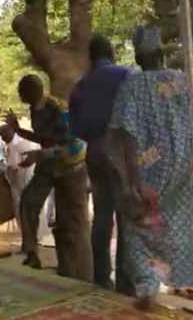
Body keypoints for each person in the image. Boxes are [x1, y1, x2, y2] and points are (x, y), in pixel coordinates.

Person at [105, 25, 193, 309]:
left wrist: (131, 180)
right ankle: (189, 280)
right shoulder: (183, 81)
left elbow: (127, 135)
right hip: (187, 168)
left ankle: (149, 287)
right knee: (183, 224)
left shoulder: (132, 87)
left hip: (150, 172)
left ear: (139, 58)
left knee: (137, 229)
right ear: (161, 53)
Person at [5, 75, 92, 282]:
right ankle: (32, 252)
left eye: (21, 90)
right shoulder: (35, 108)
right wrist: (19, 130)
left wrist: (41, 155)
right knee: (28, 202)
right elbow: (44, 138)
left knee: (67, 221)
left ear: (34, 90)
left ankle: (74, 271)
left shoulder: (57, 109)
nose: (19, 95)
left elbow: (74, 144)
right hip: (49, 163)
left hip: (70, 165)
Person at [68, 34, 132, 292]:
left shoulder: (80, 86)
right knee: (126, 217)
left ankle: (102, 279)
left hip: (94, 151)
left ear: (90, 57)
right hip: (121, 151)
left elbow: (75, 127)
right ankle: (127, 284)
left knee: (102, 217)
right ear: (112, 52)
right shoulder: (126, 75)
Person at [0, 124, 38, 233]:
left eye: (3, 135)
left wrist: (3, 169)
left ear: (10, 132)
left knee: (23, 209)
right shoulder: (15, 143)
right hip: (23, 180)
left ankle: (29, 235)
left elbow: (14, 167)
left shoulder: (16, 144)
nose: (2, 138)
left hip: (21, 181)